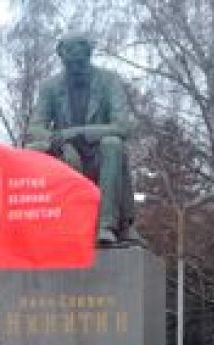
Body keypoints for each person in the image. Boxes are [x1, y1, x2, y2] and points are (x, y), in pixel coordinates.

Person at [26, 33, 136, 245]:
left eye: (80, 63)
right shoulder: (50, 86)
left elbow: (122, 127)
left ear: (89, 56)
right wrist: (61, 142)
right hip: (66, 156)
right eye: (71, 64)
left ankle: (106, 226)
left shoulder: (109, 81)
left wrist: (77, 132)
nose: (76, 69)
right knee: (33, 150)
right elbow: (35, 127)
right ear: (63, 60)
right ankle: (42, 225)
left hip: (99, 155)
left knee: (112, 143)